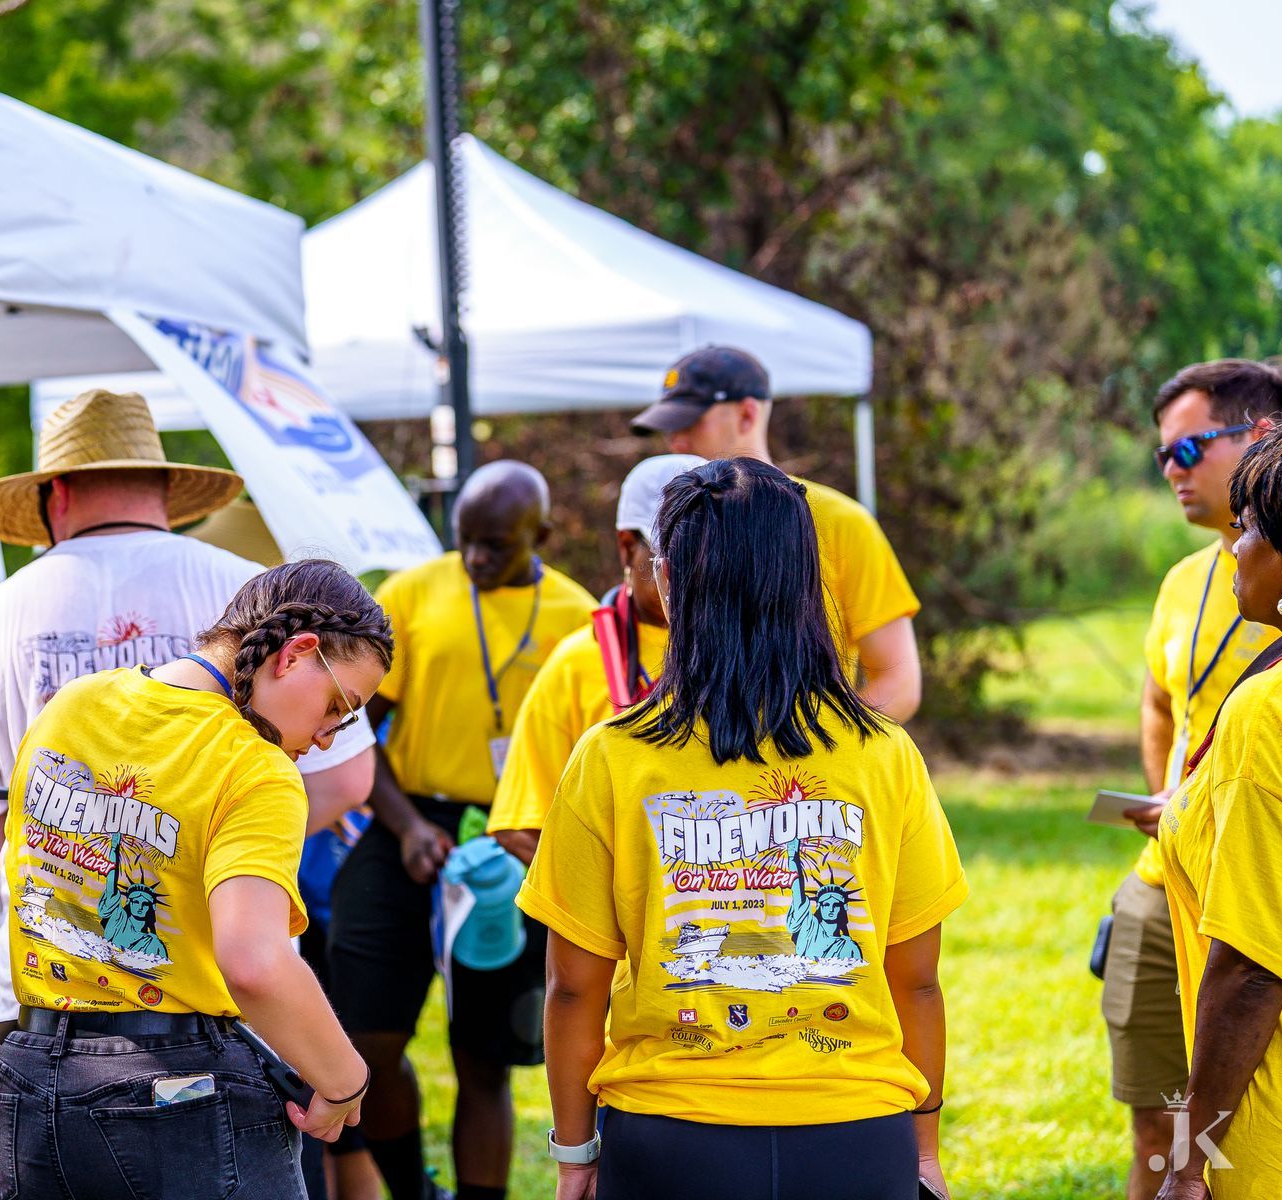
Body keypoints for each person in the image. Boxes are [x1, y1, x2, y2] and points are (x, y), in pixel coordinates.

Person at [521, 459, 967, 1200]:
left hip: (667, 1139)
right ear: (808, 583)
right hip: (856, 1136)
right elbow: (915, 982)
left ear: (667, 580)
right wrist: (923, 1152)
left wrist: (575, 1159)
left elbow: (573, 990)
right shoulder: (885, 754)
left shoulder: (610, 756)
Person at [0, 389, 378, 1096]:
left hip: (41, 1022)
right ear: (165, 484)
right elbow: (347, 782)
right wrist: (215, 848)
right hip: (222, 1031)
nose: (322, 732)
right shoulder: (253, 593)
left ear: (56, 494)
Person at [0, 559, 388, 1199]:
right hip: (177, 1097)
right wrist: (346, 1080)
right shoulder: (255, 767)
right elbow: (252, 961)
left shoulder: (74, 704)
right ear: (296, 654)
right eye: (338, 707)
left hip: (27, 1086)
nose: (324, 737)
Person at [329, 459, 596, 1200]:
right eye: (466, 540)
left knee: (482, 1057)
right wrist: (409, 824)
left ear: (540, 535)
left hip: (516, 842)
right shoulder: (412, 595)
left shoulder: (577, 618)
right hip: (409, 825)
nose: (475, 558)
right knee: (363, 1045)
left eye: (495, 545)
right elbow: (355, 730)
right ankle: (414, 1190)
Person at [1106, 359, 1282, 1200]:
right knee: (1158, 1108)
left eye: (1188, 447)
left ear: (1259, 434)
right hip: (1162, 886)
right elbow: (1160, 700)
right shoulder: (1185, 579)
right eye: (1161, 457)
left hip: (1270, 894)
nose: (1173, 470)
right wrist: (1173, 806)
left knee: (1249, 1117)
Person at [1155, 416, 1282, 1200]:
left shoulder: (1274, 711)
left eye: (1249, 524)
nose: (1232, 547)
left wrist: (1190, 1159)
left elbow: (1254, 969)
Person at [631, 346, 921, 721]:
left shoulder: (840, 521)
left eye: (690, 423)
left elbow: (898, 684)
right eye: (670, 428)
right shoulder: (666, 521)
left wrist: (819, 753)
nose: (676, 442)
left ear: (747, 413)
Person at [488, 454, 702, 865]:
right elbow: (519, 827)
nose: (696, 576)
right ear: (627, 548)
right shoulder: (577, 662)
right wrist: (611, 898)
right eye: (674, 562)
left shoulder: (753, 653)